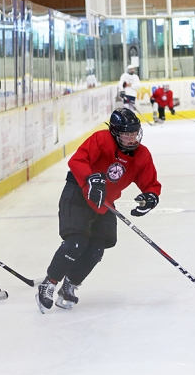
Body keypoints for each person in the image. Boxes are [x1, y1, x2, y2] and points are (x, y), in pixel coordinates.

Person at [35, 108, 162, 313]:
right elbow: (77, 161)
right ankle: (49, 283)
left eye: (134, 133)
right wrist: (90, 179)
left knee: (96, 250)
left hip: (106, 203)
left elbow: (151, 183)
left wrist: (151, 196)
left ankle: (70, 284)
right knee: (76, 242)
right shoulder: (101, 140)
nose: (131, 138)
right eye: (126, 134)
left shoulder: (142, 154)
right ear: (114, 132)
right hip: (78, 195)